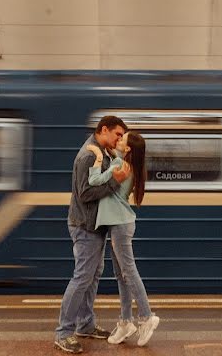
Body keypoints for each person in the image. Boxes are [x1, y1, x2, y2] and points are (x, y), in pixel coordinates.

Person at [54, 116, 130, 354]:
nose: (119, 140)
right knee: (82, 278)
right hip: (85, 226)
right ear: (104, 130)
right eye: (118, 134)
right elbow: (85, 193)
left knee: (92, 275)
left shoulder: (102, 152)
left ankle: (85, 325)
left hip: (94, 226)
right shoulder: (89, 155)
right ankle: (63, 333)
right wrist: (115, 183)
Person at [85, 131, 159, 346]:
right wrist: (109, 152)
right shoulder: (130, 166)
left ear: (127, 149)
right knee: (121, 275)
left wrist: (98, 157)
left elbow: (94, 180)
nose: (118, 140)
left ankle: (146, 316)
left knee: (128, 270)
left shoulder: (119, 164)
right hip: (121, 223)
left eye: (122, 140)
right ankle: (126, 321)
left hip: (119, 224)